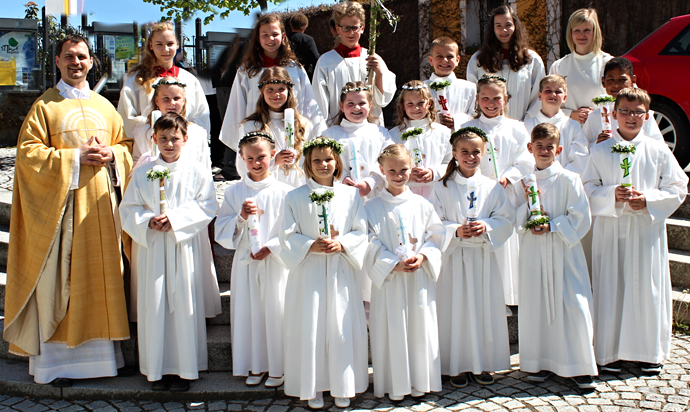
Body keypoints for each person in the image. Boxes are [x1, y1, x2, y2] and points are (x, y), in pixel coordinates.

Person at [3, 34, 132, 386]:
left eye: (83, 57)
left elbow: (126, 148)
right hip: (63, 213)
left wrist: (113, 155)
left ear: (92, 62)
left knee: (102, 278)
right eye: (69, 57)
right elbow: (28, 157)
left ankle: (104, 361)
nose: (77, 63)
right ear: (57, 62)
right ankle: (57, 364)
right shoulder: (45, 106)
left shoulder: (106, 107)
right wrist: (74, 157)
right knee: (61, 282)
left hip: (102, 211)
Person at [582, 88, 688, 375]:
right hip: (611, 230)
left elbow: (678, 187)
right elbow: (587, 188)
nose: (631, 117)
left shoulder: (657, 149)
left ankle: (647, 352)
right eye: (626, 111)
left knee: (645, 287)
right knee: (611, 285)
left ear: (647, 116)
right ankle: (610, 353)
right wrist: (610, 194)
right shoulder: (600, 150)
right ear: (614, 114)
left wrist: (650, 201)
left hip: (645, 231)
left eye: (638, 112)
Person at [120, 113, 218, 392]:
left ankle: (185, 370)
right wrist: (147, 220)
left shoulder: (197, 171)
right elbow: (128, 208)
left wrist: (175, 219)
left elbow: (207, 205)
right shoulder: (142, 172)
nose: (169, 143)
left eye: (175, 138)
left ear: (185, 139)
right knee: (155, 306)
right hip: (152, 249)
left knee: (184, 305)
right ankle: (156, 370)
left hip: (182, 247)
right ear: (154, 140)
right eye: (163, 138)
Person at [279, 137, 369, 409]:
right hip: (309, 272)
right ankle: (313, 385)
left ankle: (343, 384)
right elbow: (284, 235)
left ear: (338, 162)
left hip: (341, 269)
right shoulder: (293, 196)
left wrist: (342, 243)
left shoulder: (350, 195)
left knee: (340, 327)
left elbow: (360, 230)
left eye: (328, 159)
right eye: (316, 160)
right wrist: (309, 245)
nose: (323, 164)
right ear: (307, 163)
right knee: (311, 326)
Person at [514, 123, 597, 389]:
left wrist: (553, 225)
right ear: (530, 148)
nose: (544, 150)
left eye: (550, 146)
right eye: (539, 146)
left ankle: (580, 366)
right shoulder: (524, 182)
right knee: (537, 305)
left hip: (563, 253)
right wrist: (528, 218)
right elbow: (514, 216)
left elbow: (582, 216)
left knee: (573, 305)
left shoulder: (569, 179)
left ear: (558, 149)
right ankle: (540, 362)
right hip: (534, 253)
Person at [430, 127, 514, 388]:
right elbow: (432, 222)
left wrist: (486, 226)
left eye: (475, 152)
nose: (470, 156)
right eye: (464, 151)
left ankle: (482, 363)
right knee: (453, 310)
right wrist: (454, 229)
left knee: (482, 310)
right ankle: (454, 365)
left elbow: (506, 219)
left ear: (484, 154)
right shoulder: (441, 187)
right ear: (454, 154)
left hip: (481, 259)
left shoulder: (492, 187)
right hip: (453, 259)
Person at [365, 144, 445, 401]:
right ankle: (394, 384)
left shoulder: (422, 204)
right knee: (392, 328)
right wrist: (391, 262)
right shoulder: (371, 207)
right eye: (392, 171)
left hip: (418, 277)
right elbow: (369, 241)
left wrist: (424, 255)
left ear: (411, 168)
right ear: (382, 170)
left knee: (419, 327)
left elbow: (437, 236)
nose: (399, 175)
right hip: (390, 280)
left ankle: (421, 381)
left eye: (403, 170)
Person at [215, 132, 292, 388]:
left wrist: (272, 246)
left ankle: (279, 367)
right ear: (242, 159)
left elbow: (292, 229)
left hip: (276, 263)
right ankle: (255, 365)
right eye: (250, 159)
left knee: (275, 311)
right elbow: (222, 229)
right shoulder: (235, 191)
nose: (256, 163)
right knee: (250, 313)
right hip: (246, 261)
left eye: (262, 157)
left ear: (273, 155)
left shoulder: (285, 192)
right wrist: (240, 217)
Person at [463, 75, 534, 306]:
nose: (491, 103)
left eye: (496, 98)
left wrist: (508, 177)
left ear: (506, 99)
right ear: (477, 99)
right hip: (478, 194)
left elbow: (525, 159)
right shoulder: (467, 128)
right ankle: (483, 297)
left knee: (506, 243)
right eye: (485, 98)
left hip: (507, 192)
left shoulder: (517, 127)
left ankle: (506, 297)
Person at [220, 13, 326, 154]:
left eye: (275, 34)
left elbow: (308, 101)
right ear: (257, 38)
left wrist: (316, 131)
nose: (270, 39)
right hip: (258, 133)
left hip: (292, 134)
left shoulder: (294, 68)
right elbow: (237, 105)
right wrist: (241, 137)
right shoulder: (247, 71)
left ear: (283, 37)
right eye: (265, 35)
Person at [118, 22, 210, 138]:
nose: (165, 49)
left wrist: (181, 130)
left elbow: (201, 115)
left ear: (177, 45)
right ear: (151, 45)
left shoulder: (190, 80)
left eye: (170, 44)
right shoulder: (136, 80)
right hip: (148, 144)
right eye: (159, 44)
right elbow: (127, 117)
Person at [312, 1, 396, 125]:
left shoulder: (373, 58)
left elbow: (383, 100)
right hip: (338, 127)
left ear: (362, 28)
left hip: (370, 126)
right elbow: (320, 102)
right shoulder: (325, 62)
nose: (351, 33)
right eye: (346, 28)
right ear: (337, 29)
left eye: (355, 27)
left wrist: (379, 73)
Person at [236, 67, 314, 188]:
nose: (276, 94)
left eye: (281, 89)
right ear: (262, 91)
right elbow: (242, 166)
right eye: (270, 89)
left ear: (289, 91)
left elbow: (311, 161)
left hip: (298, 187)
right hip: (266, 189)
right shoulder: (251, 126)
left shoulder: (304, 125)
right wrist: (274, 161)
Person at [466, 5, 545, 121]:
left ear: (515, 26)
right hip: (487, 127)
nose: (504, 30)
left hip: (523, 126)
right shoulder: (479, 60)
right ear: (492, 29)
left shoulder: (531, 59)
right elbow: (472, 95)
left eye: (508, 25)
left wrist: (526, 123)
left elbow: (538, 96)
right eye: (498, 26)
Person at [322, 81, 393, 202]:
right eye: (350, 103)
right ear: (341, 106)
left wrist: (371, 182)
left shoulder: (381, 134)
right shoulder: (329, 135)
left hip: (375, 198)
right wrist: (342, 177)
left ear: (370, 106)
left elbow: (390, 160)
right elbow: (324, 161)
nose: (356, 107)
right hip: (341, 197)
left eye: (362, 103)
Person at [131, 76, 212, 169]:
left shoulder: (197, 133)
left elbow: (204, 166)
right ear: (156, 101)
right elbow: (135, 163)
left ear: (184, 101)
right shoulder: (142, 132)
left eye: (176, 98)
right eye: (166, 98)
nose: (171, 103)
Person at [549, 8, 612, 124]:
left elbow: (624, 101)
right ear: (570, 33)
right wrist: (572, 114)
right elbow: (549, 104)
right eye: (577, 30)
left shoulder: (609, 63)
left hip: (601, 132)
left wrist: (596, 114)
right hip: (569, 132)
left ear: (595, 31)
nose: (581, 35)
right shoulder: (559, 66)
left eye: (587, 30)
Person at [582, 57, 663, 148]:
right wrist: (597, 145)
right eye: (611, 80)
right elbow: (581, 148)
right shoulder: (595, 117)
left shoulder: (641, 114)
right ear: (603, 82)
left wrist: (637, 142)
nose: (616, 84)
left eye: (622, 79)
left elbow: (658, 146)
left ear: (633, 81)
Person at [389, 81, 452, 198]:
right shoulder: (393, 135)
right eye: (410, 104)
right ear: (403, 105)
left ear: (429, 103)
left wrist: (434, 173)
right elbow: (388, 164)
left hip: (436, 193)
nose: (416, 108)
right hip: (405, 193)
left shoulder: (443, 132)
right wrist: (405, 173)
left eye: (421, 103)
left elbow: (451, 162)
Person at [524, 75, 588, 174]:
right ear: (540, 96)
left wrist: (559, 178)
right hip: (533, 182)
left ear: (565, 98)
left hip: (563, 183)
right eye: (548, 91)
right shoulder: (526, 126)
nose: (553, 94)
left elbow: (580, 160)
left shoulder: (573, 126)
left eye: (558, 92)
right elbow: (524, 158)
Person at [424, 36, 475, 129]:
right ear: (431, 60)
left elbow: (476, 115)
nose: (445, 60)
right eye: (439, 56)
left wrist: (456, 120)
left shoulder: (470, 88)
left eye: (450, 56)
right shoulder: (422, 88)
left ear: (457, 60)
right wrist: (435, 119)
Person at [288, 13, 320, 79]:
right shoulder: (308, 39)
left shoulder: (284, 39)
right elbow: (315, 59)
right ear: (305, 26)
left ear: (291, 25)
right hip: (305, 75)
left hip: (287, 74)